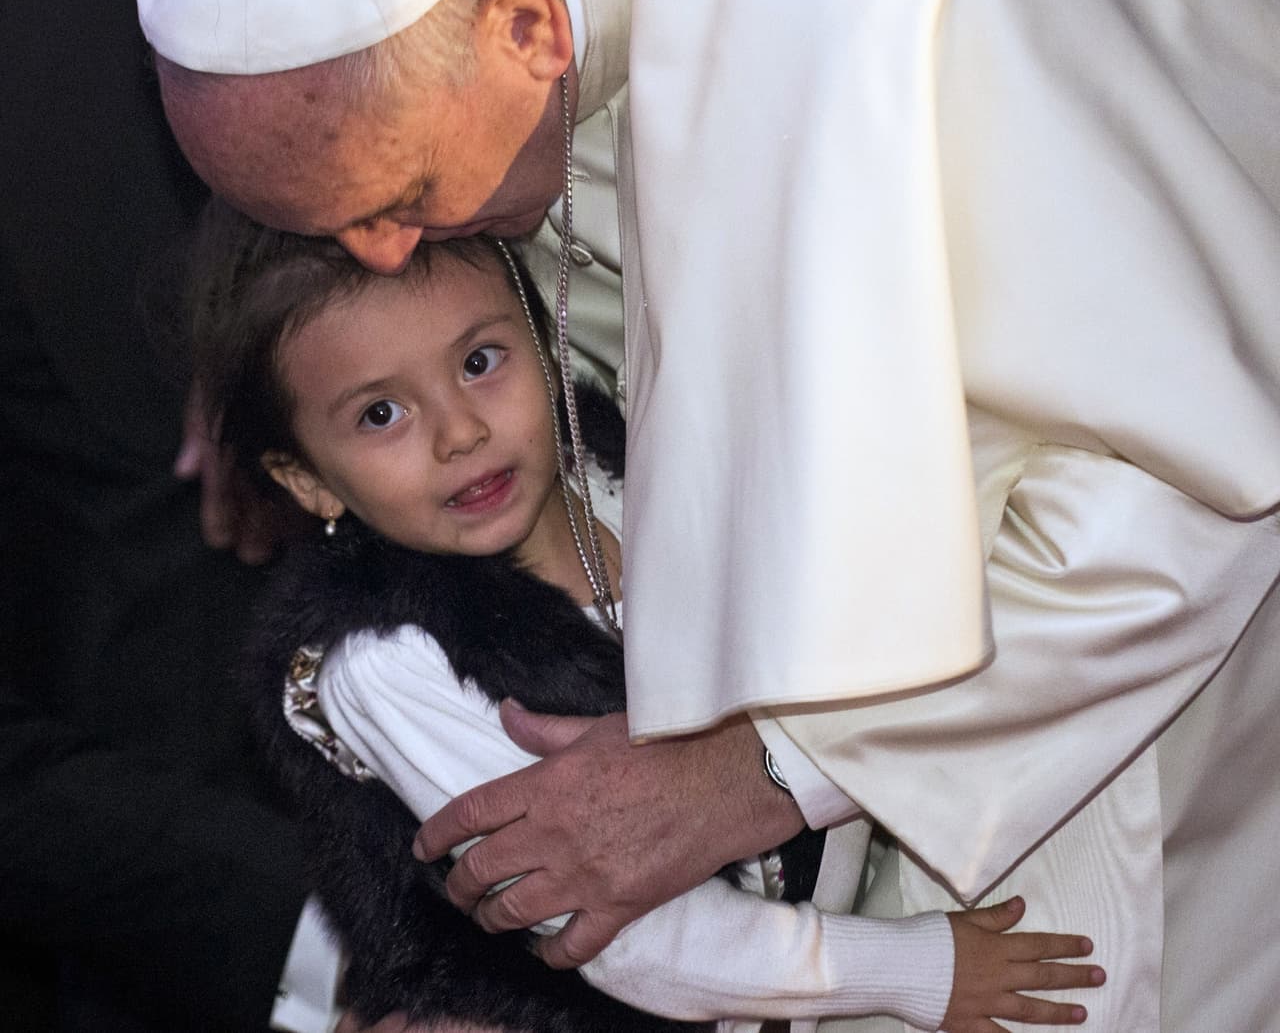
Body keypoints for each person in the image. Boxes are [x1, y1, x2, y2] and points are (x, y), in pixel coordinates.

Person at [136, 0, 1280, 1029]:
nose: (387, 258)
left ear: (529, 30)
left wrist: (768, 769)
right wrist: (283, 350)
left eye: (399, 201)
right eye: (326, 228)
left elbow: (1197, 486)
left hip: (1099, 718)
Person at [187, 198, 1103, 1033]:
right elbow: (633, 938)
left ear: (546, 342)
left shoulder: (641, 476)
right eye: (382, 413)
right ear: (307, 480)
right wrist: (919, 969)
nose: (459, 431)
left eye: (478, 362)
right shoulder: (391, 663)